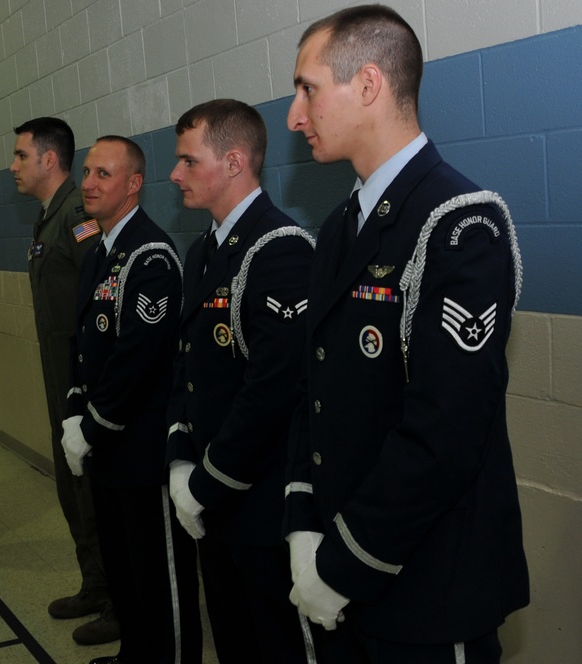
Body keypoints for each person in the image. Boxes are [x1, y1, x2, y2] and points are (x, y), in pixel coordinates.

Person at [284, 5, 529, 662]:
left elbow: (444, 434)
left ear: (367, 84)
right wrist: (304, 525)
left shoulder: (459, 224)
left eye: (307, 89)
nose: (293, 117)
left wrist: (345, 564)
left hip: (423, 588)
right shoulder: (340, 226)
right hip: (340, 568)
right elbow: (317, 388)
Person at [166, 99, 314, 663]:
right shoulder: (203, 251)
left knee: (273, 642)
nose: (175, 175)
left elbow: (273, 391)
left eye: (187, 160)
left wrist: (207, 481)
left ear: (233, 162)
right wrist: (181, 458)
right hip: (210, 499)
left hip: (257, 503)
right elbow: (186, 366)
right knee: (231, 638)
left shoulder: (280, 249)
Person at [63, 136, 201, 664]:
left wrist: (91, 426)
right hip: (106, 447)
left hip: (141, 447)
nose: (89, 184)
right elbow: (84, 345)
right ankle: (136, 655)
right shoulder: (101, 250)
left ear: (133, 184)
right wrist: (77, 408)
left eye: (103, 174)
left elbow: (137, 359)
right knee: (122, 567)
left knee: (158, 573)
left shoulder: (150, 255)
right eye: (87, 173)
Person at [11, 117, 118, 645]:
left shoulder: (78, 215)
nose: (13, 166)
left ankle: (121, 600)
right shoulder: (48, 218)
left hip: (83, 379)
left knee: (94, 486)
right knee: (72, 481)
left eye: (20, 156)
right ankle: (95, 583)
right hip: (61, 375)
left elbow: (101, 296)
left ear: (49, 159)